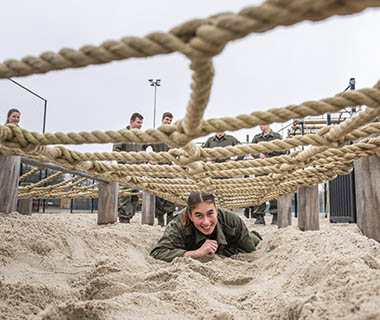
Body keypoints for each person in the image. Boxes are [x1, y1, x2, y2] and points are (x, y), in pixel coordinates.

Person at [150, 192, 262, 262]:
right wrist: (196, 253)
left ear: (216, 211)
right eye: (199, 215)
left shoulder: (231, 220)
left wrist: (218, 253)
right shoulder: (179, 225)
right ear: (190, 216)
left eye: (210, 213)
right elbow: (158, 252)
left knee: (255, 240)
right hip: (192, 246)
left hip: (230, 243)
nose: (206, 222)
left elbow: (249, 251)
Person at [249, 124, 286, 225]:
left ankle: (276, 215)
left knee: (273, 190)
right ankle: (259, 216)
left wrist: (266, 153)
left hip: (274, 167)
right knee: (260, 191)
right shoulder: (256, 138)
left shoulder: (277, 137)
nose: (260, 126)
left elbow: (283, 150)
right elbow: (251, 150)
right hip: (260, 169)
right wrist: (258, 155)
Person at [112, 112, 144, 223]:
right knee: (125, 194)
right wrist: (123, 164)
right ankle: (123, 217)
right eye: (138, 122)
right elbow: (116, 150)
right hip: (126, 169)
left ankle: (129, 216)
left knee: (134, 195)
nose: (140, 125)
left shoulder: (141, 137)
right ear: (131, 122)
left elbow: (143, 151)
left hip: (137, 170)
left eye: (141, 123)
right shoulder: (122, 134)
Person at [149, 112, 176, 227]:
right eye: (166, 119)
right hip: (158, 169)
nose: (168, 122)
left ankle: (170, 218)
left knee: (170, 191)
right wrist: (149, 158)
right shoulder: (155, 135)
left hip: (170, 168)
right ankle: (160, 219)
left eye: (170, 120)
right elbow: (144, 146)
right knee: (159, 193)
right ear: (162, 120)